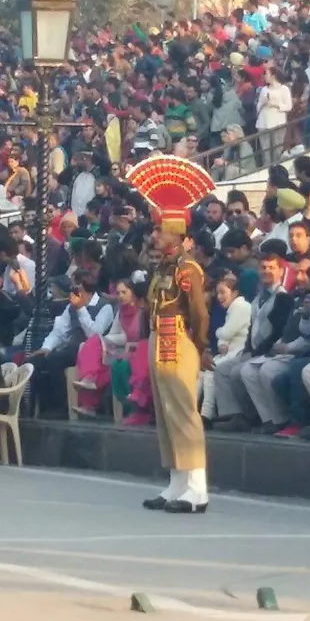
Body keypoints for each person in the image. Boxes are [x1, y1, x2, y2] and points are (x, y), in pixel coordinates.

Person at [130, 155, 213, 514]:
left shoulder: (188, 269)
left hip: (179, 339)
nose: (155, 234)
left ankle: (197, 487)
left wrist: (200, 345)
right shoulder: (163, 266)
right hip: (159, 339)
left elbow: (198, 312)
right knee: (166, 414)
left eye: (161, 230)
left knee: (183, 411)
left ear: (177, 233)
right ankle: (177, 482)